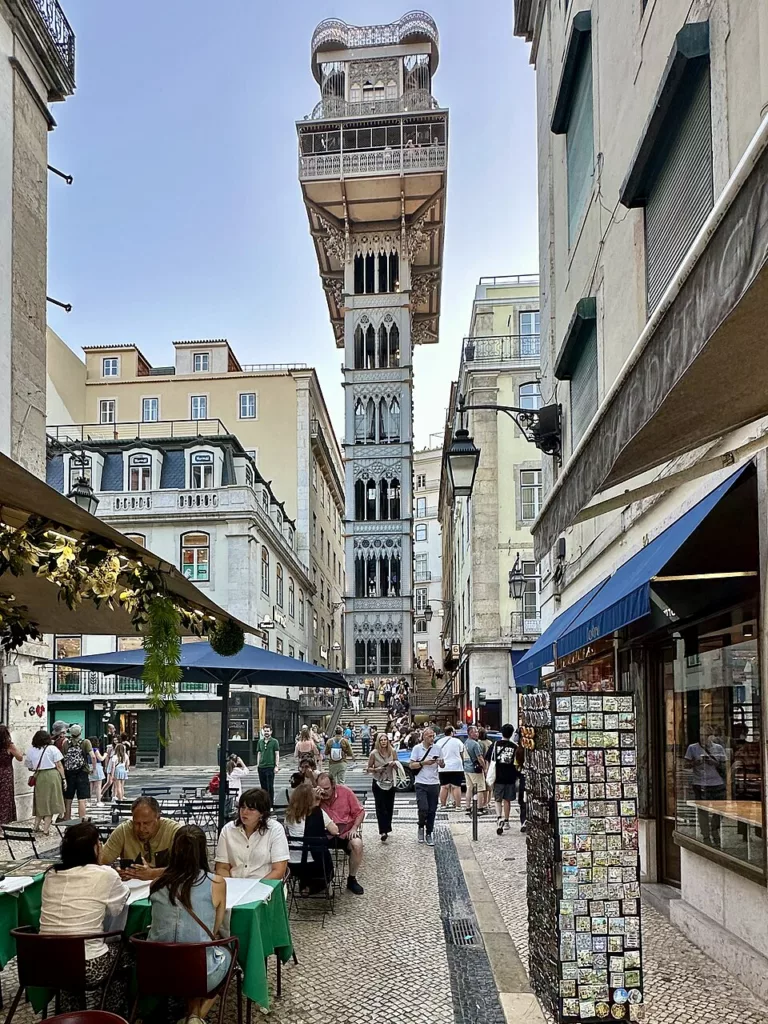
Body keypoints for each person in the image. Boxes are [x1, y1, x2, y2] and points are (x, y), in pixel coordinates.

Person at [40, 821, 130, 1013]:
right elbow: (117, 907)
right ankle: (111, 1013)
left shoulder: (51, 875)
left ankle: (70, 1014)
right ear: (95, 848)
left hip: (45, 963)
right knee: (125, 954)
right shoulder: (105, 874)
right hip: (87, 965)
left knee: (68, 963)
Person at [149, 825, 230, 1024]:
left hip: (155, 971)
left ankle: (192, 1014)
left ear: (173, 850)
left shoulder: (156, 885)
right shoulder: (217, 883)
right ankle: (195, 1016)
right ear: (203, 851)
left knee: (189, 950)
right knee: (222, 952)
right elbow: (213, 930)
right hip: (198, 972)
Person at [215, 788, 289, 880]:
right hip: (235, 885)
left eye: (251, 809)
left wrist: (256, 889)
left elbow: (279, 871)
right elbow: (221, 867)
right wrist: (231, 885)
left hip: (265, 885)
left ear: (262, 813)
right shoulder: (228, 829)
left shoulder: (275, 830)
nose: (244, 812)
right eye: (242, 807)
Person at [100, 796, 181, 879]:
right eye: (137, 823)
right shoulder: (123, 831)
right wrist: (114, 870)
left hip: (166, 885)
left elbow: (187, 867)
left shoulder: (174, 831)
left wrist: (152, 874)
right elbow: (100, 861)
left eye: (146, 823)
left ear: (158, 818)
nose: (141, 829)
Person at [284, 781, 338, 893]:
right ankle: (311, 888)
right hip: (315, 864)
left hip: (292, 864)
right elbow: (334, 831)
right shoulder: (319, 813)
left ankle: (305, 885)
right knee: (327, 865)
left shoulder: (288, 816)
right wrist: (318, 803)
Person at [316, 773, 365, 894]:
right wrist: (316, 800)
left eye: (327, 789)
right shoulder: (316, 796)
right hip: (324, 834)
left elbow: (360, 812)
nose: (324, 792)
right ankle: (319, 880)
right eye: (321, 789)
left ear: (333, 785)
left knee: (357, 844)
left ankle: (352, 879)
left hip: (345, 832)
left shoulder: (345, 792)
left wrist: (354, 828)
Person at [685, 729, 727, 846]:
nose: (704, 738)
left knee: (719, 810)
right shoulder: (693, 748)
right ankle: (706, 835)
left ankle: (714, 828)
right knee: (702, 811)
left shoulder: (718, 748)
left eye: (707, 735)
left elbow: (724, 765)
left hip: (717, 782)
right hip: (700, 783)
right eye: (702, 735)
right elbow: (686, 764)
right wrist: (696, 762)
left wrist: (712, 762)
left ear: (712, 736)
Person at [24, 729, 65, 834]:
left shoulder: (31, 750)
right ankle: (46, 829)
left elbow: (29, 767)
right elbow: (59, 765)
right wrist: (64, 778)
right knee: (50, 803)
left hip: (40, 776)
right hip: (52, 775)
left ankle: (36, 826)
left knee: (40, 802)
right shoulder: (52, 749)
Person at [409, 727, 441, 846]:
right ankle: (421, 826)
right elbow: (412, 765)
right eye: (429, 736)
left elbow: (442, 764)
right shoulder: (417, 749)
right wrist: (423, 763)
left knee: (432, 810)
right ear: (424, 737)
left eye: (433, 736)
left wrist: (441, 763)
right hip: (421, 783)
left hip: (434, 783)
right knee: (423, 808)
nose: (432, 738)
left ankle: (429, 833)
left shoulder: (437, 748)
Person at [366, 733, 397, 842]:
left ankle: (387, 827)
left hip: (390, 782)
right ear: (378, 742)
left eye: (385, 740)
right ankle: (383, 830)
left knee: (389, 807)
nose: (384, 742)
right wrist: (376, 769)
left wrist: (394, 765)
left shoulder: (392, 751)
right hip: (378, 782)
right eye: (381, 740)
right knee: (380, 807)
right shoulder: (374, 753)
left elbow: (397, 764)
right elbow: (368, 768)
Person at [490, 724, 518, 835]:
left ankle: (499, 817)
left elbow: (490, 760)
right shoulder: (515, 746)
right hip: (510, 776)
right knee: (507, 800)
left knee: (498, 799)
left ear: (502, 732)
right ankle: (506, 821)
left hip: (498, 776)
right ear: (511, 734)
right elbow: (517, 763)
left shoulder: (495, 744)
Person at [62, 724, 93, 821]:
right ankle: (81, 819)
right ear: (80, 732)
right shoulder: (85, 742)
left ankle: (67, 818)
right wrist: (92, 768)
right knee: (82, 799)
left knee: (68, 798)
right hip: (82, 772)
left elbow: (63, 758)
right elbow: (93, 756)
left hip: (69, 773)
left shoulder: (65, 743)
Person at [435, 725, 465, 811]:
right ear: (451, 732)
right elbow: (462, 753)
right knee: (456, 787)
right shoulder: (457, 741)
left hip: (443, 767)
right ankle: (458, 806)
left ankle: (443, 805)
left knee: (444, 787)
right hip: (456, 767)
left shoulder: (439, 742)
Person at [0, 725, 23, 824]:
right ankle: (1, 826)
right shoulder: (9, 745)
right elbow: (20, 757)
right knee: (5, 799)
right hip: (5, 774)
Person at [463, 725, 488, 814]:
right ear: (471, 733)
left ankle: (468, 807)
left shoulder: (466, 743)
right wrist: (484, 768)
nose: (477, 733)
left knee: (469, 788)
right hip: (475, 769)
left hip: (467, 768)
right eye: (475, 732)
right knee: (480, 788)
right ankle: (479, 808)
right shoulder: (475, 744)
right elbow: (480, 758)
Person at [256, 725, 280, 807]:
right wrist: (258, 765)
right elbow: (259, 753)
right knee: (263, 787)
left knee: (270, 787)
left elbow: (277, 754)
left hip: (270, 767)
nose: (266, 733)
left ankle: (270, 805)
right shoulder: (260, 742)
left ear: (271, 732)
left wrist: (276, 766)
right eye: (265, 731)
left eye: (268, 731)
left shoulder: (274, 741)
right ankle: (264, 804)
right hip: (261, 767)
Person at [88, 736, 106, 806]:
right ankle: (98, 801)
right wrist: (105, 755)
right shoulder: (95, 749)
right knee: (98, 786)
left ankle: (88, 801)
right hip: (97, 766)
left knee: (90, 786)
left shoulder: (87, 750)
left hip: (89, 766)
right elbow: (100, 758)